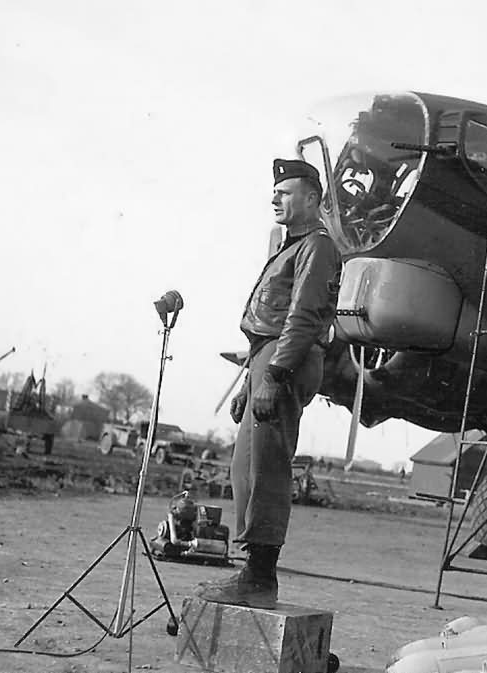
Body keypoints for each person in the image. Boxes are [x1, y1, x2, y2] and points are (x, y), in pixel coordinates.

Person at [195, 159, 342, 608]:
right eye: (275, 192)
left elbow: (301, 316)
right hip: (268, 356)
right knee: (244, 468)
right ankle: (251, 569)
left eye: (286, 192)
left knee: (267, 468)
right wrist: (250, 381)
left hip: (287, 358)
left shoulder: (316, 247)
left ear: (312, 199)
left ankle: (260, 577)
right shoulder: (291, 246)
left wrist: (274, 375)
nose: (275, 199)